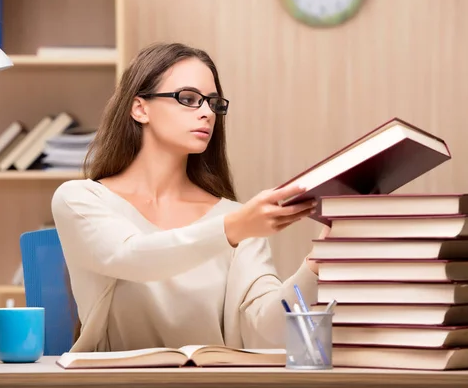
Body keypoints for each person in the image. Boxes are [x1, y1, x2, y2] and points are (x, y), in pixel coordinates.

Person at [51, 42, 327, 353]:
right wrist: (233, 229)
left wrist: (317, 263)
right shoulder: (81, 199)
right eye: (189, 99)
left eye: (213, 103)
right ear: (140, 108)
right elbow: (133, 257)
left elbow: (269, 335)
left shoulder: (238, 220)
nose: (208, 112)